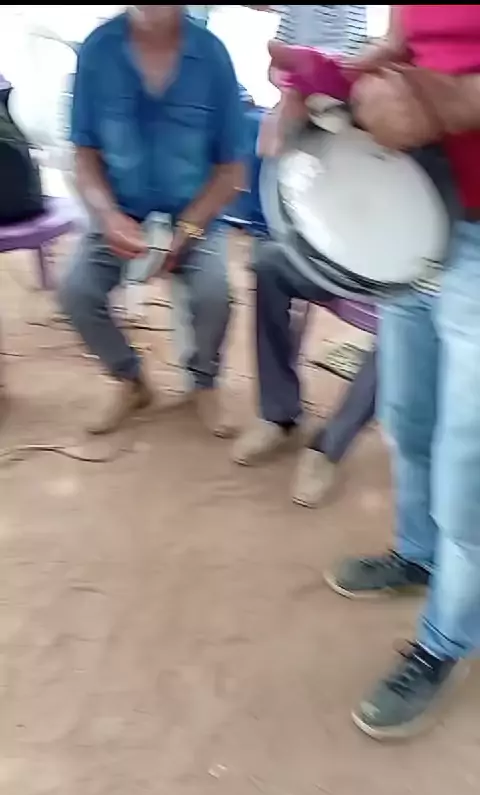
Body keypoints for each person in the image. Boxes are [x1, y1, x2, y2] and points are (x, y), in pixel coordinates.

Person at [324, 5, 480, 739]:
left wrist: (447, 98)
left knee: (468, 462)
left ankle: (447, 638)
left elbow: (448, 88)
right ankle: (418, 554)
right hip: (420, 203)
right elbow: (406, 37)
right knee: (409, 415)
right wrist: (352, 75)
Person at [60, 5, 245, 436]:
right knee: (76, 291)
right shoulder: (98, 51)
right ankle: (130, 379)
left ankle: (203, 382)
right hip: (121, 211)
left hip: (194, 212)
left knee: (214, 295)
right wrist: (107, 215)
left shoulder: (212, 56)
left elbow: (232, 173)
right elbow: (84, 156)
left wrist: (189, 230)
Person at [233, 5, 376, 509]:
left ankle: (328, 448)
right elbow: (276, 146)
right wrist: (293, 101)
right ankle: (279, 413)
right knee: (271, 264)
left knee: (407, 322)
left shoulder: (398, 101)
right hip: (337, 249)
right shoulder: (319, 113)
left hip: (395, 268)